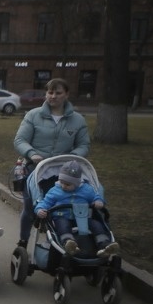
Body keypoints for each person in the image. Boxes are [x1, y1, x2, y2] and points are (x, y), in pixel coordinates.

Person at [13, 78, 91, 249]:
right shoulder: (33, 115)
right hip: (37, 168)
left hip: (65, 169)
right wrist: (32, 154)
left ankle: (61, 240)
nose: (53, 96)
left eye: (58, 93)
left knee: (64, 205)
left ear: (67, 95)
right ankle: (23, 240)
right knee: (30, 205)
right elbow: (20, 140)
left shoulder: (77, 120)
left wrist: (73, 156)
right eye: (50, 92)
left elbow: (84, 144)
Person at [34, 161, 119, 257]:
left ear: (77, 183)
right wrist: (40, 209)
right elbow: (45, 202)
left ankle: (104, 245)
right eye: (62, 182)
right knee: (63, 225)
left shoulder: (86, 190)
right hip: (62, 216)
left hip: (84, 217)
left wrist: (98, 201)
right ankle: (69, 243)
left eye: (68, 184)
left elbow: (96, 196)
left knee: (97, 225)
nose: (63, 186)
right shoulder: (55, 191)